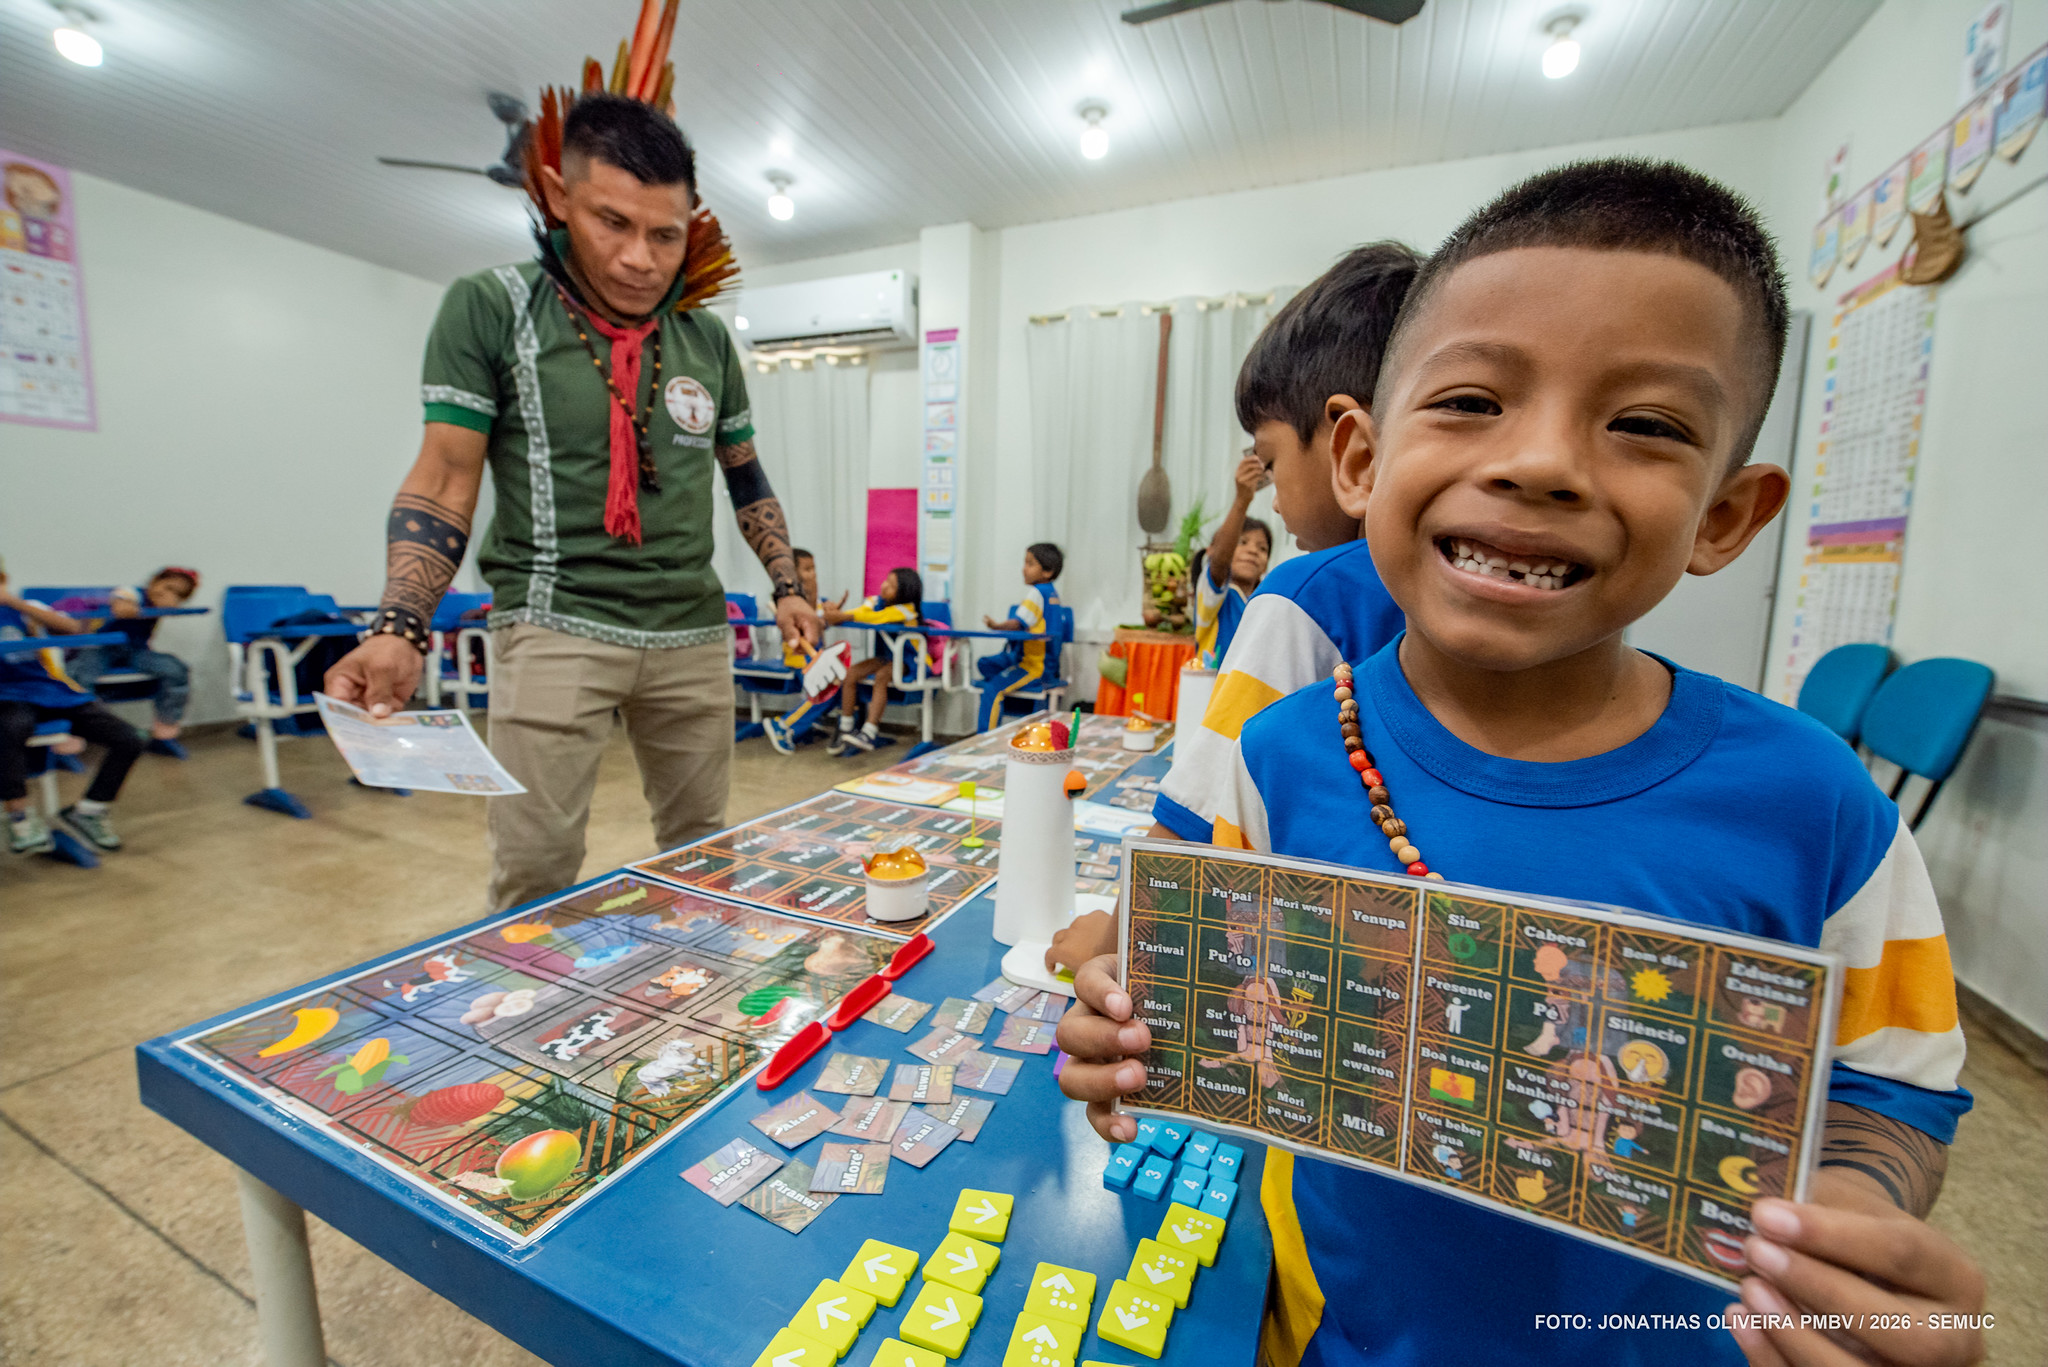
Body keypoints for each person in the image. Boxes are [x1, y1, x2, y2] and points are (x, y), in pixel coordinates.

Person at [1059, 160, 1984, 1367]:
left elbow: (1893, 1088)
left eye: (1644, 424)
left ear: (1723, 515)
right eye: (1470, 401)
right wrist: (1123, 1022)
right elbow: (1169, 977)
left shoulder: (1819, 807)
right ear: (1358, 459)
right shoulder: (1276, 753)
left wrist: (1855, 1218)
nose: (1540, 462)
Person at [324, 92, 819, 912]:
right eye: (611, 223)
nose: (640, 258)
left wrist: (789, 586)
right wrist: (400, 625)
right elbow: (447, 474)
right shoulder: (491, 307)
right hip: (554, 623)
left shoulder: (704, 337)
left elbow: (745, 475)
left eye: (665, 234)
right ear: (558, 197)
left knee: (702, 853)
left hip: (691, 632)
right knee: (536, 868)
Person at [1049, 242, 1420, 973]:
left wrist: (1115, 937)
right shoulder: (1439, 593)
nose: (1276, 497)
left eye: (1274, 460)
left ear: (1354, 450)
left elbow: (1186, 831)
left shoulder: (1304, 594)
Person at [1, 565, 145, 854]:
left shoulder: (25, 608)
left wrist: (14, 603)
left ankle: (90, 810)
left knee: (130, 738)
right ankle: (19, 817)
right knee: (10, 730)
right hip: (6, 696)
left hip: (50, 691)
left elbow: (69, 629)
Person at [64, 566, 200, 758]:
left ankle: (164, 734)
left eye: (175, 593)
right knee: (78, 674)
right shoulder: (131, 592)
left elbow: (171, 609)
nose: (165, 593)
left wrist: (169, 607)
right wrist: (125, 607)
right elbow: (121, 601)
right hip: (101, 647)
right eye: (166, 586)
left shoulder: (163, 604)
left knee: (175, 669)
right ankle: (69, 739)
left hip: (136, 651)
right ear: (153, 582)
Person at [819, 567, 923, 755]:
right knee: (850, 674)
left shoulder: (907, 610)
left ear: (905, 592)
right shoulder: (875, 600)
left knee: (882, 677)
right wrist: (835, 614)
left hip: (910, 660)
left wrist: (840, 616)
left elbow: (877, 618)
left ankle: (869, 732)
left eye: (892, 585)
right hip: (885, 657)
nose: (884, 586)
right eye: (886, 581)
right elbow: (862, 612)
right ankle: (846, 726)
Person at [1193, 454, 1273, 667]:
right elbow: (1220, 563)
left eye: (1262, 548)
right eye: (1242, 542)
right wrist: (1241, 501)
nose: (1253, 551)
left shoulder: (1266, 601)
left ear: (1266, 563)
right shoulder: (1214, 597)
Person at [975, 542, 1062, 732]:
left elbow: (1017, 623)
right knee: (985, 664)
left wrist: (996, 625)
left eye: (1030, 564)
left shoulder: (1037, 592)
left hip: (1035, 666)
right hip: (1044, 662)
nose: (1024, 569)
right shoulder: (1052, 594)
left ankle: (984, 738)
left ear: (1047, 571)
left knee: (993, 688)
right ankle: (1007, 675)